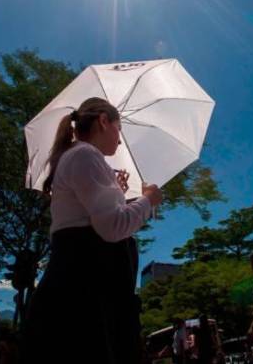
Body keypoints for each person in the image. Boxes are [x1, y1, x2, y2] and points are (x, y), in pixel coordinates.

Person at [24, 97, 163, 364]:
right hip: (85, 297)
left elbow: (95, 217)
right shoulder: (85, 154)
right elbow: (113, 227)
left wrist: (117, 194)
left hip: (78, 290)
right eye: (119, 129)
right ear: (103, 121)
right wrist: (148, 200)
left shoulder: (76, 156)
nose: (120, 140)